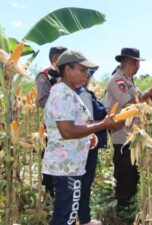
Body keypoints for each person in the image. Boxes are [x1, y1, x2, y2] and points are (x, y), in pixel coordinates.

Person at [42, 50, 120, 225]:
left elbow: (72, 125)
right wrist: (102, 125)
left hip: (70, 164)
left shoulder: (68, 92)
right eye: (83, 70)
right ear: (68, 69)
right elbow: (67, 132)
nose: (87, 74)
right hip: (66, 166)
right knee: (66, 215)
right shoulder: (62, 94)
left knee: (65, 212)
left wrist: (89, 134)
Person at [103, 47, 152, 221]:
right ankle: (122, 215)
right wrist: (149, 92)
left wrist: (151, 99)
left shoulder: (129, 81)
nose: (138, 66)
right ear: (130, 62)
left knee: (133, 176)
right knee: (125, 176)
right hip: (122, 137)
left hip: (134, 137)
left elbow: (138, 103)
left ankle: (129, 211)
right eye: (137, 62)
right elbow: (130, 104)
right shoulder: (116, 80)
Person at [75, 68, 108, 225]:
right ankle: (82, 219)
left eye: (89, 75)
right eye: (86, 73)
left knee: (83, 183)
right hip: (87, 145)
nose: (87, 77)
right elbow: (85, 121)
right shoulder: (83, 94)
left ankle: (84, 218)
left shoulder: (83, 93)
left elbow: (83, 119)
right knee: (84, 182)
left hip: (86, 142)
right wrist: (105, 123)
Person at [36, 46, 67, 197]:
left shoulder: (67, 76)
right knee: (51, 164)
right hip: (53, 128)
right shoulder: (45, 76)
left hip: (69, 127)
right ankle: (50, 196)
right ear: (55, 59)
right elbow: (42, 101)